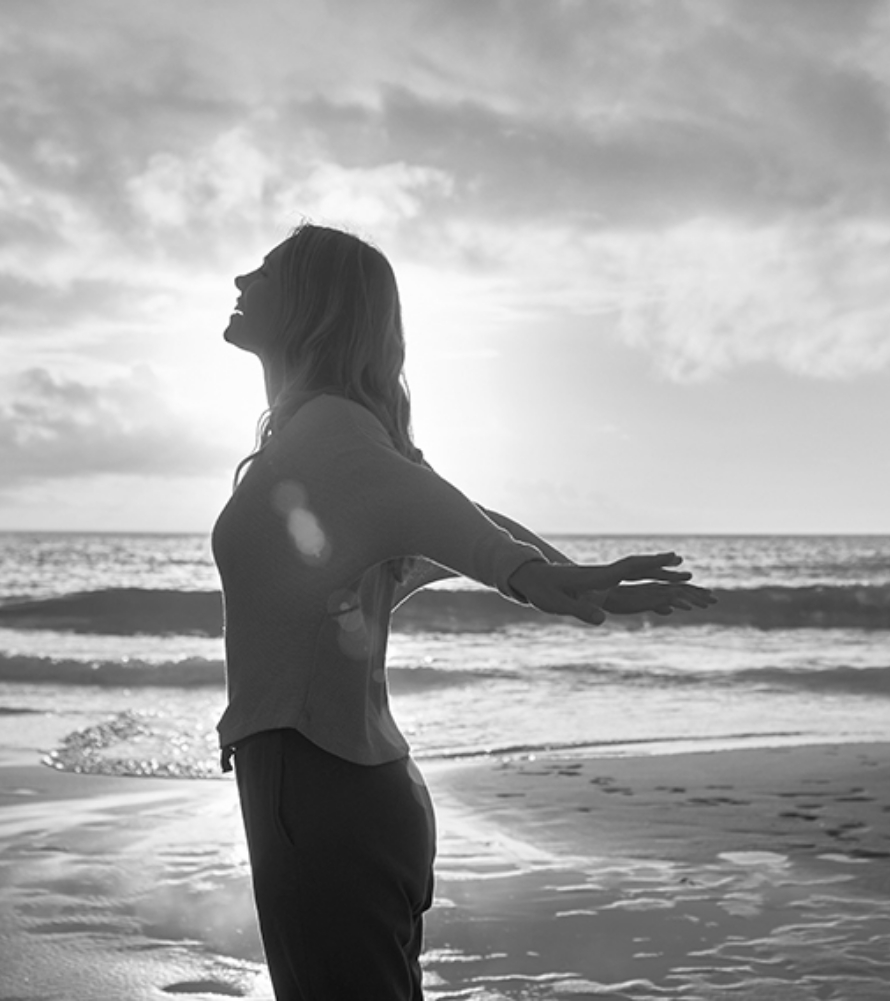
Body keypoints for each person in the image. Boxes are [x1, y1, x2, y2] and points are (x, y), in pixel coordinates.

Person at [212, 222, 715, 1001]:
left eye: (269, 270)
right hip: (353, 796)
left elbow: (447, 518)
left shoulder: (335, 443)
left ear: (313, 305)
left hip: (317, 799)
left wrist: (536, 575)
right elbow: (460, 515)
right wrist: (551, 572)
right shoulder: (343, 438)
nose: (244, 277)